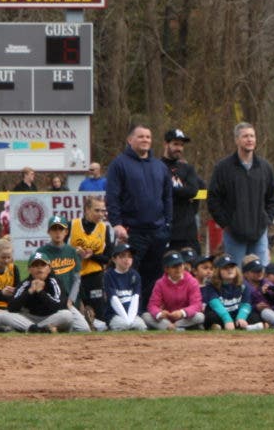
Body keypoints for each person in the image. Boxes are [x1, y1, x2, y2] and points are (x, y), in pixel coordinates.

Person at [104, 123, 173, 309]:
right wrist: (116, 223)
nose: (145, 140)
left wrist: (167, 224)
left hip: (158, 232)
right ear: (130, 140)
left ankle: (148, 313)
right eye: (141, 136)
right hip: (132, 231)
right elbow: (112, 196)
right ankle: (127, 313)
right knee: (129, 273)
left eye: (148, 137)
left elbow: (167, 197)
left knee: (154, 276)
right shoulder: (119, 164)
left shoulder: (159, 166)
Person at [206, 122, 274, 265]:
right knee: (234, 276)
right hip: (233, 235)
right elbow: (213, 198)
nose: (250, 139)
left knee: (260, 275)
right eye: (245, 136)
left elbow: (273, 197)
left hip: (259, 233)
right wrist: (225, 223)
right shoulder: (223, 168)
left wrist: (267, 219)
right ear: (237, 140)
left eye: (252, 136)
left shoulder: (265, 168)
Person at [68, 195, 114, 325]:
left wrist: (92, 255)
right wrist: (73, 252)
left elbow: (108, 258)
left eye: (103, 210)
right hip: (73, 275)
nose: (101, 214)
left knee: (98, 316)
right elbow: (61, 252)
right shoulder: (72, 225)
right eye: (97, 210)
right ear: (87, 210)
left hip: (94, 277)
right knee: (76, 312)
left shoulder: (104, 228)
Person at [6, 251, 73, 333]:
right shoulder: (25, 284)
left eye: (43, 265)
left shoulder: (54, 281)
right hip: (30, 318)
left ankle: (35, 329)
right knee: (6, 316)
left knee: (66, 315)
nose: (39, 268)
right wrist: (30, 291)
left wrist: (41, 292)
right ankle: (41, 329)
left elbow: (59, 306)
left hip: (51, 317)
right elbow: (11, 307)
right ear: (29, 269)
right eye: (35, 265)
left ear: (49, 269)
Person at [162, 129, 205, 252]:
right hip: (166, 230)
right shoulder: (157, 167)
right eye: (175, 144)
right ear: (166, 144)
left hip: (188, 230)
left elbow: (194, 191)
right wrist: (182, 191)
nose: (179, 148)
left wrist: (170, 189)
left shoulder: (187, 168)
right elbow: (156, 192)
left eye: (181, 145)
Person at [142, 250, 205, 330]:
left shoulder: (192, 281)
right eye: (174, 266)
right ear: (166, 269)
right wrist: (159, 313)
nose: (178, 269)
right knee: (146, 316)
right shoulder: (160, 283)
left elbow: (196, 305)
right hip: (167, 317)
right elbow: (152, 305)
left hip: (185, 317)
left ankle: (174, 327)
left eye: (180, 265)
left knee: (200, 316)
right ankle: (177, 328)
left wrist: (182, 313)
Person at [202, 255, 258, 330]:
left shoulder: (244, 284)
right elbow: (215, 305)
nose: (230, 270)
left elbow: (246, 304)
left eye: (232, 267)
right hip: (220, 314)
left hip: (236, 314)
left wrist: (241, 317)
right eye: (225, 268)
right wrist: (227, 320)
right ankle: (221, 326)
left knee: (254, 316)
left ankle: (238, 325)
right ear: (218, 271)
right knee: (211, 316)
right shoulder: (212, 285)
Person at [103, 244, 147, 331]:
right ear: (114, 259)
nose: (127, 259)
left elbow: (135, 298)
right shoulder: (109, 275)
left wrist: (130, 319)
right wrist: (127, 321)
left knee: (141, 327)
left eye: (130, 256)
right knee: (123, 325)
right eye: (122, 256)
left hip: (132, 314)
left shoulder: (135, 275)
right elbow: (113, 300)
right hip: (115, 314)